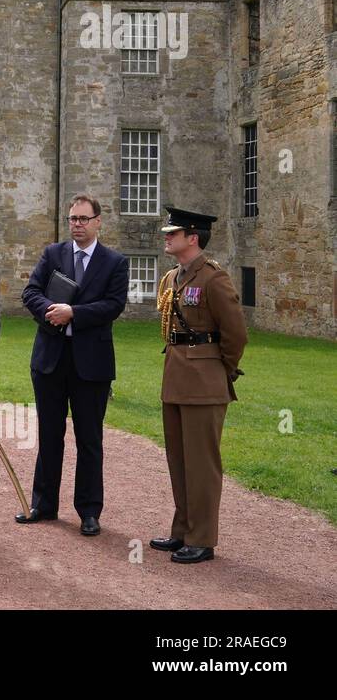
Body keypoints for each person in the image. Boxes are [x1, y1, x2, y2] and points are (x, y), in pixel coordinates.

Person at [19, 193, 129, 536]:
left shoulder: (115, 262)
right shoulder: (53, 254)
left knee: (89, 439)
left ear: (98, 221)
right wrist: (50, 310)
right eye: (73, 219)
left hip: (91, 364)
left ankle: (89, 511)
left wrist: (74, 313)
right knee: (50, 435)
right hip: (50, 360)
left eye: (84, 219)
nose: (77, 225)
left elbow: (113, 305)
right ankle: (43, 504)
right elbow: (30, 292)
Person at [150, 207, 248, 564]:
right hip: (176, 376)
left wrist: (221, 369)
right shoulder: (174, 276)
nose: (167, 237)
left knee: (202, 462)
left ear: (193, 238)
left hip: (204, 381)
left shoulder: (213, 279)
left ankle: (203, 537)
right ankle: (182, 530)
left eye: (173, 233)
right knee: (178, 459)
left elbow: (235, 334)